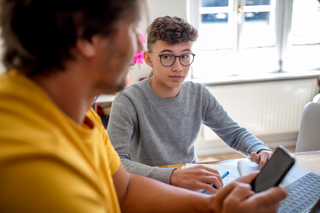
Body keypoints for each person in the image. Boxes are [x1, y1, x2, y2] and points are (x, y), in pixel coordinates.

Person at [0, 1, 286, 212]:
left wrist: (214, 206)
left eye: (185, 56)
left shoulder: (81, 114)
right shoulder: (32, 165)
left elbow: (124, 188)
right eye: (131, 28)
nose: (137, 45)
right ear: (86, 36)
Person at [107, 16, 274, 193]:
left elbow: (234, 133)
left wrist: (260, 149)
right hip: (148, 186)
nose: (178, 67)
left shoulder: (198, 94)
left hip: (191, 182)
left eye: (185, 56)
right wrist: (173, 176)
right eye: (167, 57)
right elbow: (115, 163)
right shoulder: (128, 101)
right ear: (148, 59)